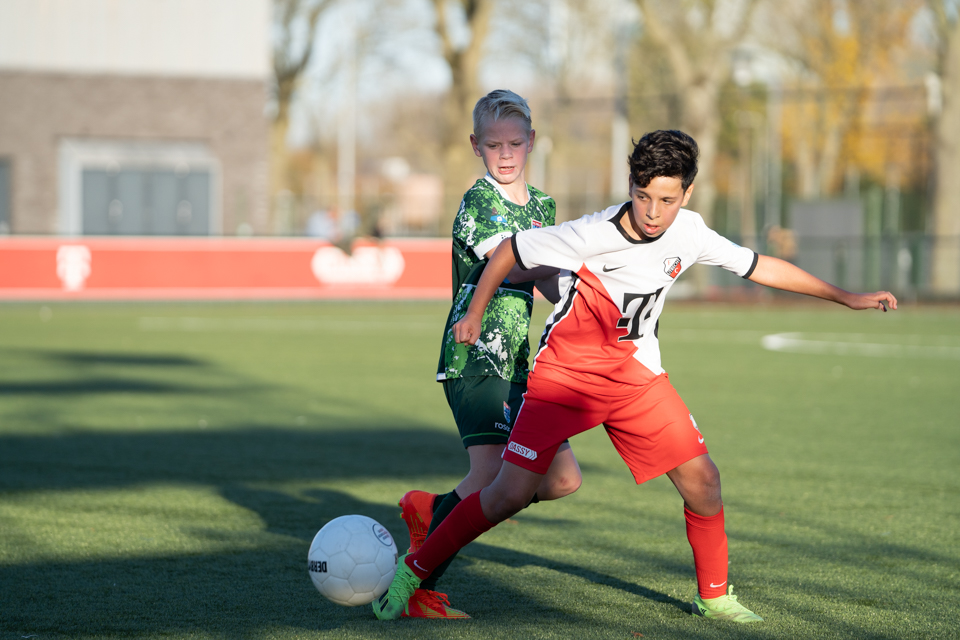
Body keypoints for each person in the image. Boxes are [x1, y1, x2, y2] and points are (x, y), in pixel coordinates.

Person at [375, 129, 898, 623]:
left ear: (687, 194)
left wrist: (845, 297)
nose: (653, 212)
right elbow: (512, 249)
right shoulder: (592, 234)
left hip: (635, 379)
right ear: (631, 185)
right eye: (644, 195)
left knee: (704, 482)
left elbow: (759, 265)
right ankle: (413, 575)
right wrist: (474, 312)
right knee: (506, 495)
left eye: (667, 200)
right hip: (566, 379)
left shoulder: (690, 232)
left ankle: (714, 599)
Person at [395, 89, 583, 619]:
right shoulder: (478, 202)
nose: (506, 153)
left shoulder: (544, 207)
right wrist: (571, 269)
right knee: (490, 476)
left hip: (525, 364)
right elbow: (513, 262)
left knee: (561, 479)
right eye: (494, 143)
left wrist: (589, 294)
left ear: (532, 143)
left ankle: (434, 511)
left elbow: (549, 283)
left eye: (516, 142)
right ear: (475, 145)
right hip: (476, 355)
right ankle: (417, 588)